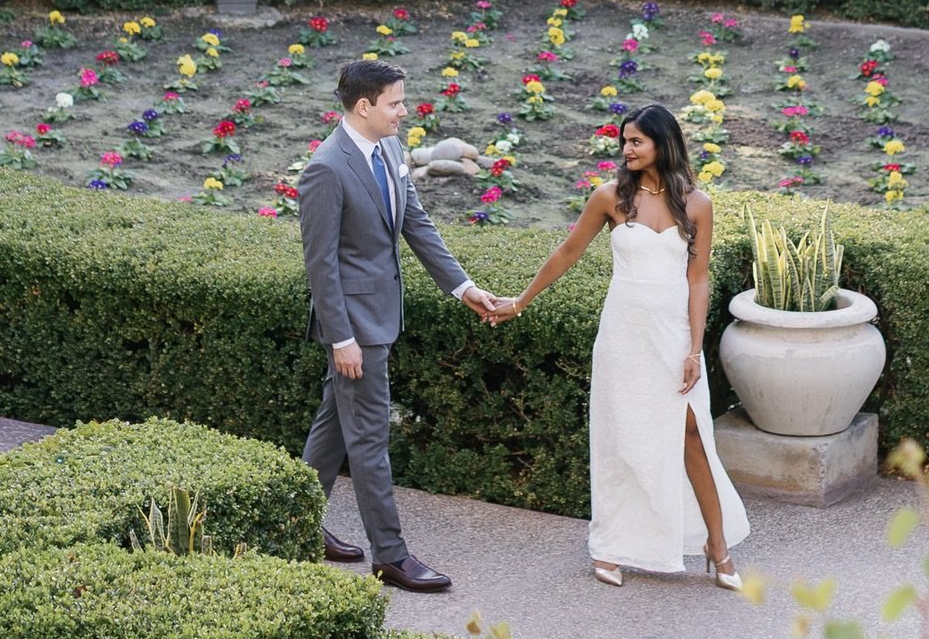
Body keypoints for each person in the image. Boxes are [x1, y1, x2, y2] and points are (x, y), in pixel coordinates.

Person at [483, 102, 749, 590]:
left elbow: (698, 279)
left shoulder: (697, 204)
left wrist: (694, 350)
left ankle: (717, 545)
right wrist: (520, 301)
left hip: (672, 340)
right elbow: (567, 251)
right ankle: (610, 546)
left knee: (692, 435)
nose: (625, 149)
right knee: (621, 439)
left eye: (636, 141)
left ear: (662, 145)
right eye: (624, 141)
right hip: (623, 337)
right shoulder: (609, 197)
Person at [300, 59, 501, 593]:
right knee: (368, 440)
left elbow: (416, 224)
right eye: (395, 102)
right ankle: (390, 557)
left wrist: (465, 288)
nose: (404, 111)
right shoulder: (326, 168)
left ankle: (292, 522)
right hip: (356, 328)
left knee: (333, 428)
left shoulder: (387, 149)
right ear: (363, 107)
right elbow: (321, 265)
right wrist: (342, 338)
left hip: (378, 318)